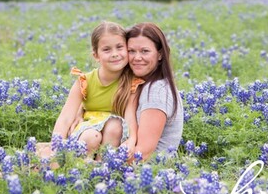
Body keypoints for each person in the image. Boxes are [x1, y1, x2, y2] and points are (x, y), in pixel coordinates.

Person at [44, 21, 140, 159]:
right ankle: (83, 167)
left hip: (116, 134)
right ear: (96, 55)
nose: (114, 54)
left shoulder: (131, 83)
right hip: (87, 132)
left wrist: (132, 140)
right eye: (107, 49)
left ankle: (103, 167)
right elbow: (65, 118)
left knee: (114, 126)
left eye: (119, 47)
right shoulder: (84, 82)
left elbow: (131, 118)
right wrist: (55, 147)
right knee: (92, 136)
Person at [125, 22, 182, 161]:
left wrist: (99, 165)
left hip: (145, 175)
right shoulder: (140, 85)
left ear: (160, 54)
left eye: (145, 51)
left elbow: (142, 154)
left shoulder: (156, 91)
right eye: (131, 51)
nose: (137, 57)